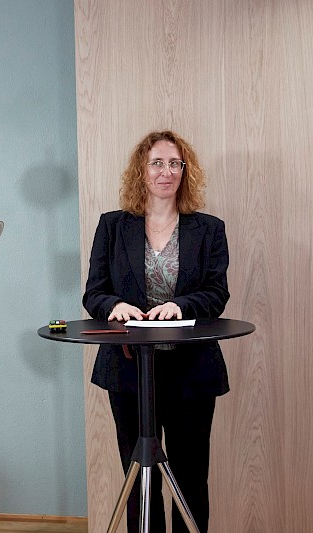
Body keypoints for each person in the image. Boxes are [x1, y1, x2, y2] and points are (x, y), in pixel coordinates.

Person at [82, 131, 229, 532]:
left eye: (175, 163)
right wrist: (114, 306)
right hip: (129, 371)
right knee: (140, 483)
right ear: (141, 171)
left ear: (185, 171)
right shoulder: (112, 226)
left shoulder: (209, 229)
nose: (167, 172)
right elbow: (94, 292)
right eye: (157, 163)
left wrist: (182, 304)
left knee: (190, 478)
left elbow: (217, 293)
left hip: (191, 372)